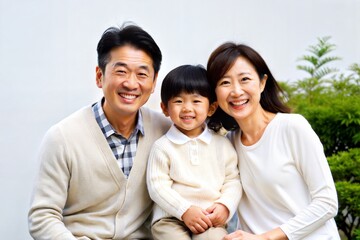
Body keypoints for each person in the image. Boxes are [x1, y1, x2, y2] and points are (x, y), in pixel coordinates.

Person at [28, 23, 171, 240]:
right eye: (121, 71)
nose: (131, 83)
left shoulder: (165, 131)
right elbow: (42, 216)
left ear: (153, 82)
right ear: (99, 76)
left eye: (142, 74)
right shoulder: (62, 137)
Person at [206, 42, 340, 240]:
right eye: (225, 83)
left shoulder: (292, 127)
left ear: (262, 83)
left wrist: (266, 237)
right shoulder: (228, 144)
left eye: (244, 79)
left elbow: (327, 202)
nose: (236, 91)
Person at [146, 65, 241, 240]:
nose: (187, 108)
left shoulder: (222, 144)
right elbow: (157, 186)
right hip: (170, 219)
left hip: (209, 217)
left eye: (196, 101)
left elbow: (232, 181)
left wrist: (225, 206)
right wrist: (184, 210)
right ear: (165, 108)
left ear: (211, 108)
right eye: (178, 101)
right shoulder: (163, 146)